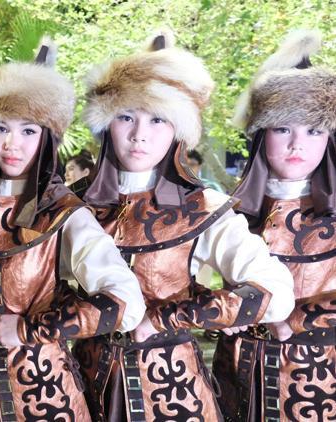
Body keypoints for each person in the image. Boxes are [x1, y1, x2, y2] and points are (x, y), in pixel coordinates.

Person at [72, 29, 295, 421]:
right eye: (126, 116)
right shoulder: (71, 205)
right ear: (106, 123)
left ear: (178, 129)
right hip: (83, 386)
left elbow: (275, 291)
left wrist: (171, 316)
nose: (140, 135)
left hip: (174, 392)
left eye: (158, 119)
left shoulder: (203, 207)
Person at [0, 38, 146, 422]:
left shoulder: (64, 214)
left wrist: (31, 328)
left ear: (48, 138)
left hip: (44, 397)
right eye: (1, 128)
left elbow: (126, 302)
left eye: (28, 131)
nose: (11, 144)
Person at [212, 30, 336, 421]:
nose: (297, 144)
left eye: (313, 130)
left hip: (319, 378)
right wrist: (222, 309)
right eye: (283, 128)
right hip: (238, 374)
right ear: (261, 135)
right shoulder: (227, 212)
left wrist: (285, 316)